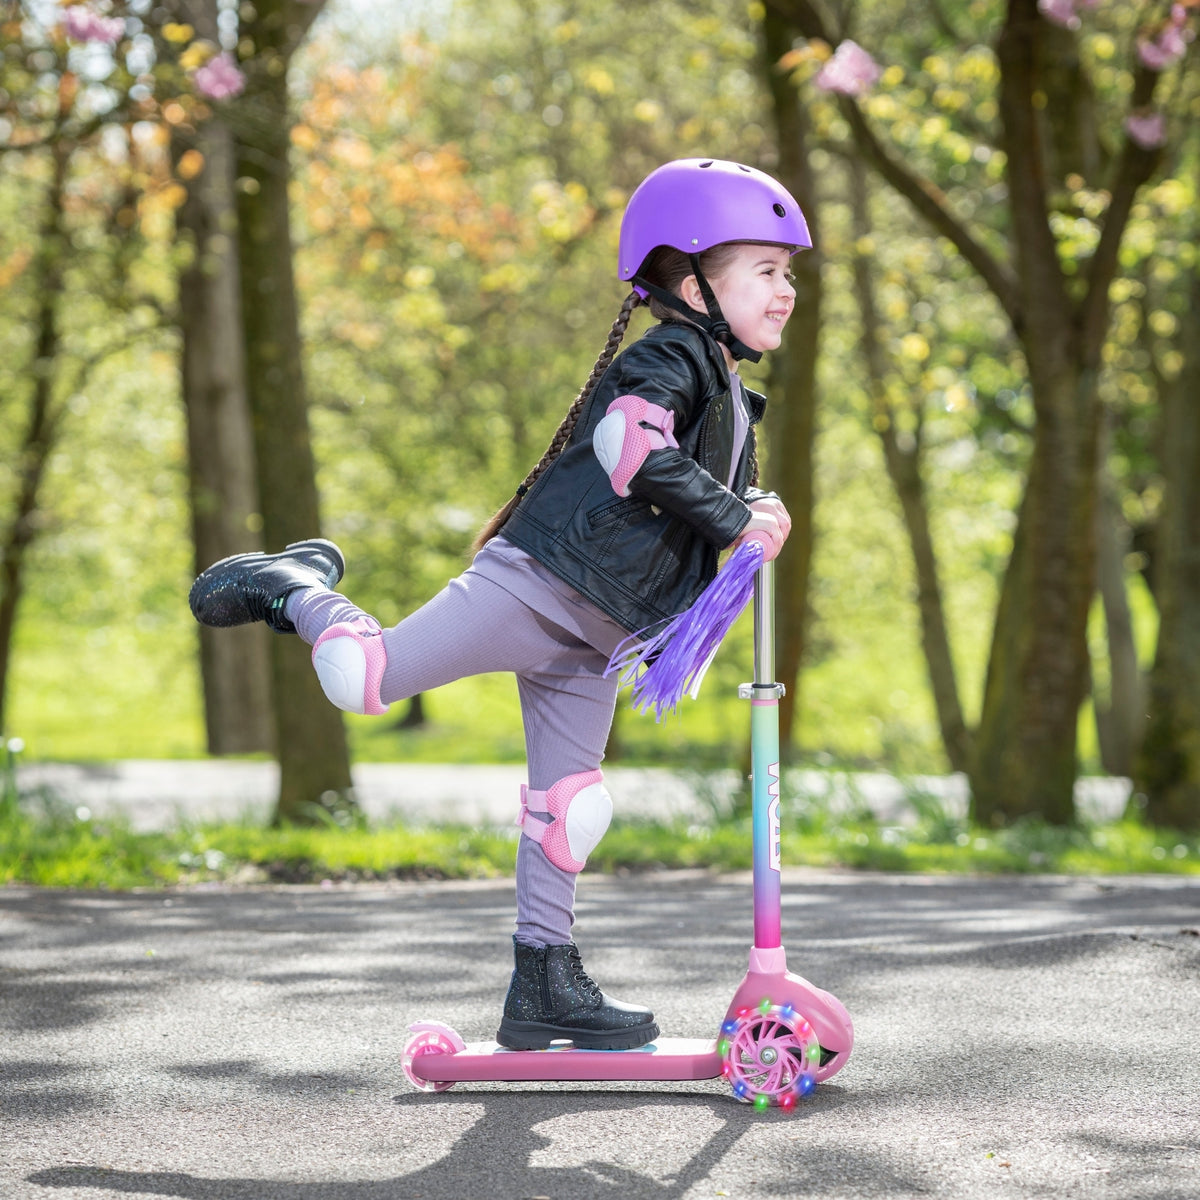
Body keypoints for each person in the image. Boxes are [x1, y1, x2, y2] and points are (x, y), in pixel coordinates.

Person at [189, 157, 808, 1051]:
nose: (785, 291)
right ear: (689, 280)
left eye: (788, 273)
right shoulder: (673, 353)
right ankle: (295, 586)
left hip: (602, 632)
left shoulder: (723, 379)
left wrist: (750, 510)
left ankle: (544, 983)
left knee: (572, 809)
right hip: (540, 585)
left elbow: (690, 501)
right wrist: (733, 516)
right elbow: (629, 443)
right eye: (765, 271)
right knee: (364, 681)